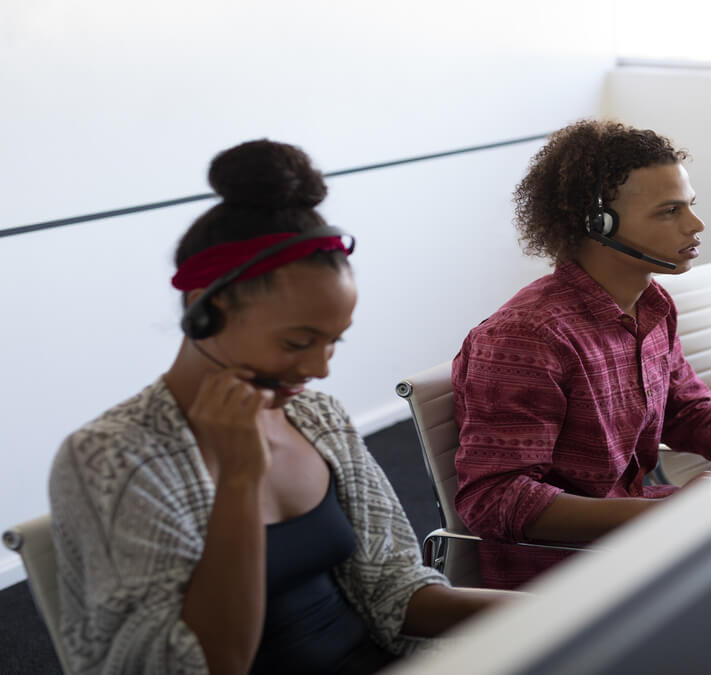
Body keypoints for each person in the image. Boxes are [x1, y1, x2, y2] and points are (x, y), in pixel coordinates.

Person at [49, 140, 506, 675]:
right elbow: (195, 665)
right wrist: (240, 479)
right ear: (204, 309)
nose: (320, 368)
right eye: (296, 342)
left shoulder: (316, 418)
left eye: (334, 341)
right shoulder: (112, 458)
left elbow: (394, 588)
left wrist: (560, 609)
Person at [451, 120, 711, 590]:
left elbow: (685, 410)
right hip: (562, 576)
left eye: (690, 205)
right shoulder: (528, 337)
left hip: (640, 533)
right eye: (669, 211)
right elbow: (495, 499)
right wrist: (670, 513)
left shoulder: (652, 307)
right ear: (597, 225)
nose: (696, 225)